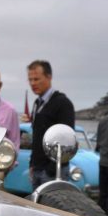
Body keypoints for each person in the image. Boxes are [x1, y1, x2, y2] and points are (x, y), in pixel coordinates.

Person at [27, 60, 75, 190]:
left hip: (53, 172)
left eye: (36, 79)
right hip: (37, 169)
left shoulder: (63, 103)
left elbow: (68, 140)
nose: (33, 83)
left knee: (53, 209)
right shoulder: (37, 103)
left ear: (49, 77)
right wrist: (32, 164)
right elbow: (37, 136)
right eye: (30, 80)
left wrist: (51, 170)